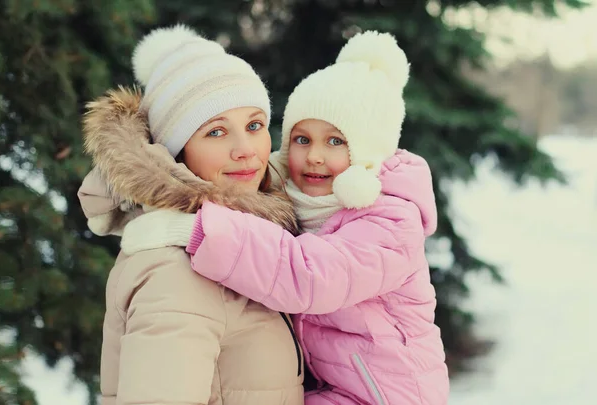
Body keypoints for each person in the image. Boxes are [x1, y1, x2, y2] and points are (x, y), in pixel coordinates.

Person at [124, 31, 450, 404]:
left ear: (369, 152)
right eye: (301, 139)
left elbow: (308, 275)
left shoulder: (389, 221)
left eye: (336, 141)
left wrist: (196, 231)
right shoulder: (297, 207)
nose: (313, 156)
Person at [77, 25, 304, 405]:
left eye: (254, 125)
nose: (246, 149)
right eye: (216, 132)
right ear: (177, 153)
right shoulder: (178, 269)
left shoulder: (246, 243)